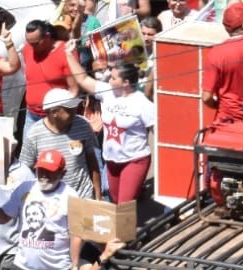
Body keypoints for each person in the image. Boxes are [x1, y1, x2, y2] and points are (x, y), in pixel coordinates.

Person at [20, 90, 102, 199]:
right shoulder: (34, 134)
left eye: (74, 107)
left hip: (82, 197)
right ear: (54, 112)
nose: (75, 110)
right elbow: (25, 169)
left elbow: (92, 162)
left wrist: (98, 195)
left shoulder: (83, 125)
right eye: (69, 109)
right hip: (51, 202)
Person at [99, 64, 156, 203]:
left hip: (135, 160)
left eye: (113, 78)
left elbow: (158, 133)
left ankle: (128, 223)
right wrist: (68, 54)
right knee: (116, 200)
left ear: (125, 82)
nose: (109, 81)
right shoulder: (108, 93)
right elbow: (82, 79)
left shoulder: (143, 103)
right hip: (112, 160)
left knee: (124, 205)